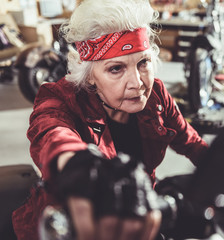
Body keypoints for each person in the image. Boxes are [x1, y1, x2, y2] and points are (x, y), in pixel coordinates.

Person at [11, 0, 208, 239]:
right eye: (116, 69)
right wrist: (79, 166)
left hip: (136, 215)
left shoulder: (156, 94)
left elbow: (189, 139)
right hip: (70, 227)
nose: (137, 83)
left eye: (143, 62)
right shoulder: (60, 99)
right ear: (90, 75)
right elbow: (52, 133)